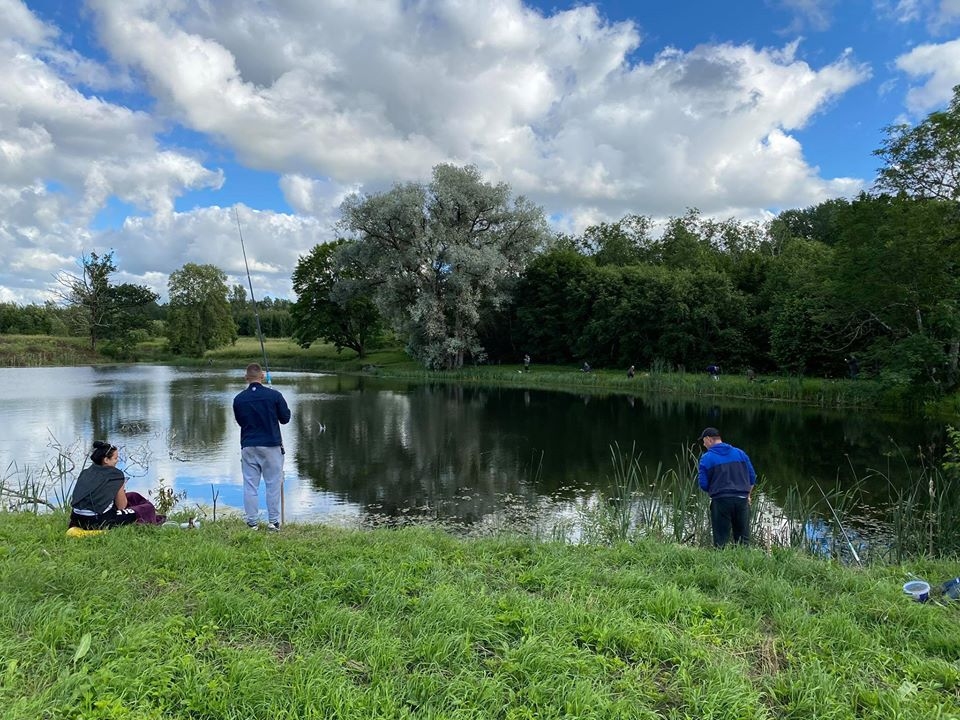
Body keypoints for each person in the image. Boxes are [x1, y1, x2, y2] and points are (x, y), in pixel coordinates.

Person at [233, 362, 291, 531]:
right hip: (271, 445)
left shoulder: (238, 399)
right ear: (262, 377)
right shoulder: (274, 395)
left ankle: (252, 523)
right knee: (273, 484)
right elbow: (285, 418)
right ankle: (273, 522)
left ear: (246, 378)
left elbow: (241, 422)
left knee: (250, 485)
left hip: (248, 445)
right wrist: (276, 401)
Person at [68, 441, 164, 530]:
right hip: (98, 520)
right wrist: (121, 486)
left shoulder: (86, 472)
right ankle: (151, 519)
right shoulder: (116, 475)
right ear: (106, 460)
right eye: (115, 458)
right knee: (147, 508)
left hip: (77, 518)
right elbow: (121, 506)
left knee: (133, 495)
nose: (117, 461)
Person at [696, 427, 756, 547]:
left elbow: (703, 484)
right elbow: (752, 477)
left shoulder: (706, 458)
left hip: (721, 500)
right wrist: (748, 495)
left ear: (709, 439)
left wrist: (715, 490)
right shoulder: (740, 453)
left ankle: (720, 563)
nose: (703, 444)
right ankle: (745, 564)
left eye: (704, 441)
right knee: (743, 540)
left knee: (721, 540)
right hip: (741, 499)